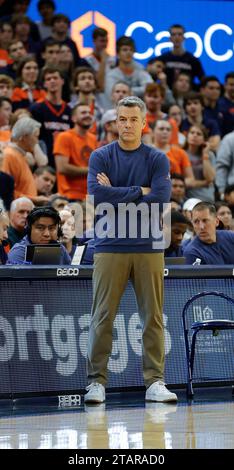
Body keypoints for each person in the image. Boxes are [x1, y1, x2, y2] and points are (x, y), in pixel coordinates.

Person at [85, 95, 177, 404]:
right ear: (115, 123)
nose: (127, 124)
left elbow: (162, 199)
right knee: (102, 317)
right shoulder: (100, 156)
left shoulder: (157, 158)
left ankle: (155, 382)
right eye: (122, 119)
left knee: (153, 317)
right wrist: (140, 191)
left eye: (133, 119)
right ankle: (96, 382)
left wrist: (117, 194)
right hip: (109, 244)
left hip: (149, 246)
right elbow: (97, 197)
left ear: (143, 123)